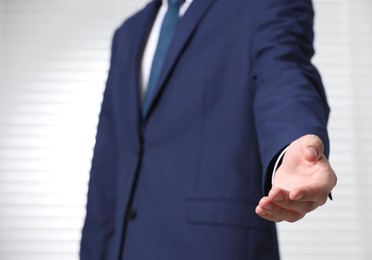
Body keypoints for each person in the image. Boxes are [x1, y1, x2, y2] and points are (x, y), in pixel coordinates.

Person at [80, 0, 337, 259]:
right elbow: (108, 159)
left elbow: (283, 73)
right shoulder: (127, 33)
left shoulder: (261, 4)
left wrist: (293, 142)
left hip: (211, 249)